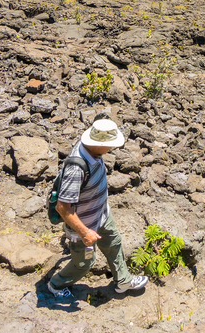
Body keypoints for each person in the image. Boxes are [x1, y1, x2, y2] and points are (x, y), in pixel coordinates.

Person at [47, 118, 148, 298]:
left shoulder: (93, 151)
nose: (112, 148)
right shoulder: (76, 168)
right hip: (82, 225)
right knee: (84, 263)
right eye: (110, 145)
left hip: (101, 213)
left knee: (114, 243)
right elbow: (63, 207)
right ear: (98, 144)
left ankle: (123, 280)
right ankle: (56, 284)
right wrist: (84, 233)